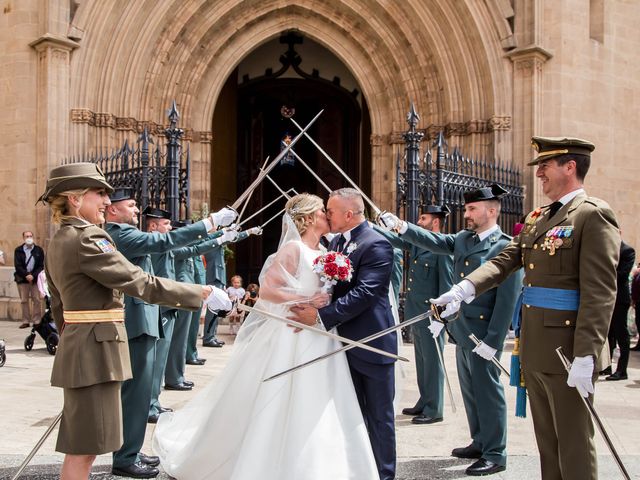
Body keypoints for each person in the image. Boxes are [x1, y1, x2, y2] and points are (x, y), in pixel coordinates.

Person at [431, 137, 620, 480]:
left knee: (574, 443)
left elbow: (601, 292)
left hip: (569, 348)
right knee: (548, 443)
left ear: (570, 167)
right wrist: (464, 288)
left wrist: (587, 353)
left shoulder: (592, 215)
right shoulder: (537, 218)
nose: (540, 175)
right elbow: (506, 259)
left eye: (545, 167)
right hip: (537, 346)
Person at [153, 193, 378, 480]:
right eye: (323, 211)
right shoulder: (293, 249)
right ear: (309, 218)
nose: (327, 215)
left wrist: (324, 301)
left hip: (321, 333)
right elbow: (269, 290)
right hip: (293, 333)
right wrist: (307, 296)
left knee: (323, 397)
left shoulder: (327, 247)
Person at [38, 163, 230, 480]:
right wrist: (202, 293)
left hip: (84, 350)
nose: (105, 201)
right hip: (95, 355)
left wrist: (74, 344)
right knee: (85, 449)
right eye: (99, 193)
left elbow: (60, 308)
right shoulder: (87, 239)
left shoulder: (62, 239)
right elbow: (141, 283)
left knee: (85, 445)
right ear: (74, 198)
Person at [380, 185, 522, 476]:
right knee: (471, 390)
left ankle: (496, 452)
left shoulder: (505, 247)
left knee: (488, 391)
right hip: (463, 329)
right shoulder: (463, 240)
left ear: (491, 211)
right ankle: (480, 440)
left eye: (472, 209)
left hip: (484, 334)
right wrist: (401, 226)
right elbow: (433, 240)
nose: (466, 214)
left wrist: (493, 341)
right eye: (467, 209)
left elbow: (507, 301)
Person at [104, 189, 236, 478]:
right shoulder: (117, 234)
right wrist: (210, 224)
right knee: (136, 391)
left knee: (139, 392)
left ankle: (130, 449)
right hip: (137, 320)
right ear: (113, 210)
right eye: (130, 205)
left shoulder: (123, 232)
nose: (136, 210)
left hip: (146, 315)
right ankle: (124, 456)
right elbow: (168, 242)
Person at [290, 188, 397, 480]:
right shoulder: (336, 241)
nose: (326, 215)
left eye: (331, 211)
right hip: (340, 343)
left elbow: (366, 293)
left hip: (372, 342)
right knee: (351, 414)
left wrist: (321, 317)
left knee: (379, 417)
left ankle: (385, 475)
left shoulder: (377, 244)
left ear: (349, 214)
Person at [376, 205, 454, 425]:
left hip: (431, 316)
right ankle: (424, 400)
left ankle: (434, 408)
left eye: (423, 218)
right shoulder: (419, 244)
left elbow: (447, 285)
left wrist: (441, 318)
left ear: (435, 222)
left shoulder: (442, 249)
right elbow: (397, 240)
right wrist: (374, 225)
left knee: (432, 362)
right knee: (422, 360)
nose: (418, 222)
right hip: (416, 312)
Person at [201, 229, 253, 347]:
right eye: (214, 228)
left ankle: (212, 336)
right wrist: (247, 232)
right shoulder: (209, 239)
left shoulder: (217, 240)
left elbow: (233, 237)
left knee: (216, 309)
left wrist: (248, 232)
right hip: (213, 277)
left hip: (219, 277)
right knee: (212, 310)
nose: (216, 229)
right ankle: (208, 337)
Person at [603, 239, 635, 380]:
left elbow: (622, 275)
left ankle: (622, 370)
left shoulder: (627, 251)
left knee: (622, 334)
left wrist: (602, 272)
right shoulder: (604, 248)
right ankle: (607, 366)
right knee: (608, 334)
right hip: (606, 298)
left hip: (619, 299)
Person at [14, 230, 45, 328]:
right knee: (24, 300)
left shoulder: (38, 250)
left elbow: (41, 265)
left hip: (35, 280)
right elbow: (17, 265)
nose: (29, 238)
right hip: (23, 280)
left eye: (30, 236)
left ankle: (37, 321)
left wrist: (33, 275)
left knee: (36, 300)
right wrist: (26, 275)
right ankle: (25, 321)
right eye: (27, 236)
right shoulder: (18, 250)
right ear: (23, 238)